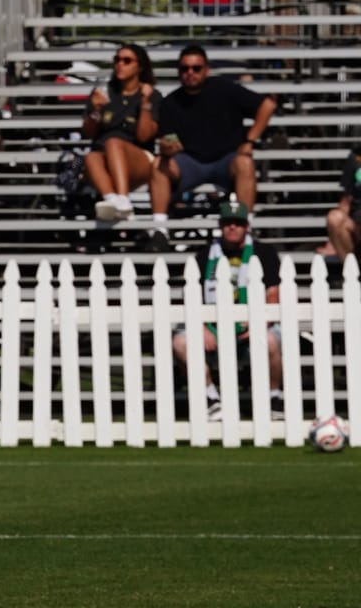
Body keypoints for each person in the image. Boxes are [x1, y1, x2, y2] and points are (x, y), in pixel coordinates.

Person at [149, 45, 276, 233]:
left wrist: (250, 140)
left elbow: (268, 105)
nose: (190, 73)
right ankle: (158, 231)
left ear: (206, 70)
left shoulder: (224, 89)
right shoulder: (170, 103)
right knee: (159, 164)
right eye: (184, 68)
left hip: (226, 160)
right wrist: (168, 148)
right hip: (189, 162)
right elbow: (167, 140)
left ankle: (245, 226)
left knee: (245, 163)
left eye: (196, 68)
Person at [177, 196, 282, 416]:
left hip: (253, 327)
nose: (232, 227)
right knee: (181, 342)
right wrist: (203, 328)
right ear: (220, 226)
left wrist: (259, 325)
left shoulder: (264, 253)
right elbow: (192, 295)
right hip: (213, 327)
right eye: (227, 223)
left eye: (237, 223)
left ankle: (273, 398)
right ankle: (210, 398)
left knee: (271, 340)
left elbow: (273, 293)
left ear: (247, 226)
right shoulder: (205, 255)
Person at [80, 43, 159, 224]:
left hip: (138, 157)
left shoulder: (151, 95)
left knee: (113, 142)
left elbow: (144, 136)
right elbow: (89, 133)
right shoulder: (103, 93)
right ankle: (113, 201)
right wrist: (96, 110)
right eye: (117, 60)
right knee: (91, 157)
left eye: (127, 61)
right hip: (103, 158)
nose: (120, 64)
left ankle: (123, 199)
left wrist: (145, 104)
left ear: (139, 66)